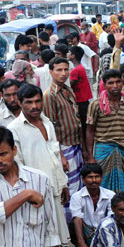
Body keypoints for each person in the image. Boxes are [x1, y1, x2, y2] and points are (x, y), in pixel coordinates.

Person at [9, 83, 71, 247]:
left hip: (54, 185)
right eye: (29, 102)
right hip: (35, 190)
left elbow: (55, 155)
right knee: (38, 232)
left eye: (38, 101)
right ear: (20, 103)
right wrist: (28, 193)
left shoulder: (47, 122)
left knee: (55, 227)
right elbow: (17, 166)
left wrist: (63, 184)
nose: (35, 106)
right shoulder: (14, 129)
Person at [85, 69, 124, 193]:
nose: (115, 86)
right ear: (104, 85)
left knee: (123, 186)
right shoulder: (96, 105)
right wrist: (90, 156)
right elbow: (90, 131)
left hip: (122, 151)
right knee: (101, 185)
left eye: (118, 82)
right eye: (111, 83)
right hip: (103, 150)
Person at [42, 57, 85, 210]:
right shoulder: (49, 95)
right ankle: (71, 224)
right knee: (70, 187)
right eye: (59, 70)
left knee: (79, 185)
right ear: (51, 72)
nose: (64, 73)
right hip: (64, 147)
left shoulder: (67, 90)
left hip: (76, 144)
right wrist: (60, 155)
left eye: (66, 69)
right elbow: (49, 128)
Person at [69, 163, 115, 247]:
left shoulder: (110, 195)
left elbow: (112, 217)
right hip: (86, 232)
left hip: (104, 231)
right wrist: (81, 243)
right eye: (90, 177)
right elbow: (77, 218)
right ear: (83, 179)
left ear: (101, 178)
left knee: (116, 219)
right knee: (73, 223)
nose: (94, 180)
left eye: (97, 177)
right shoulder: (77, 196)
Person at [67, 46, 93, 136]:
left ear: (73, 55)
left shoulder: (76, 70)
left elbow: (69, 85)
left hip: (80, 100)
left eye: (69, 52)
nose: (67, 54)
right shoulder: (80, 67)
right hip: (83, 99)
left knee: (83, 124)